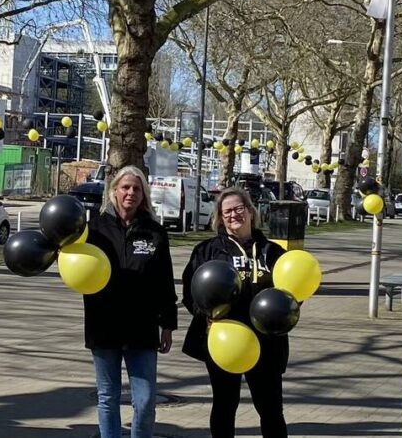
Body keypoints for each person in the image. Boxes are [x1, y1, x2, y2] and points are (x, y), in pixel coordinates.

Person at [182, 187, 289, 438]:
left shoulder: (273, 252)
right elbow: (191, 292)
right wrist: (205, 315)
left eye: (239, 209)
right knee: (225, 404)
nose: (234, 215)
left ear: (251, 212)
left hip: (266, 342)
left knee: (271, 408)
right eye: (227, 211)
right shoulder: (206, 251)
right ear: (219, 217)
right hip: (225, 341)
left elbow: (290, 293)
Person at [84, 165, 177, 438]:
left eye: (137, 189)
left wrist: (168, 324)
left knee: (146, 400)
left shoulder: (155, 232)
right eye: (125, 187)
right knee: (108, 397)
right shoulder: (94, 229)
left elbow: (164, 281)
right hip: (103, 326)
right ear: (113, 192)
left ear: (144, 195)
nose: (130, 193)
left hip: (142, 328)